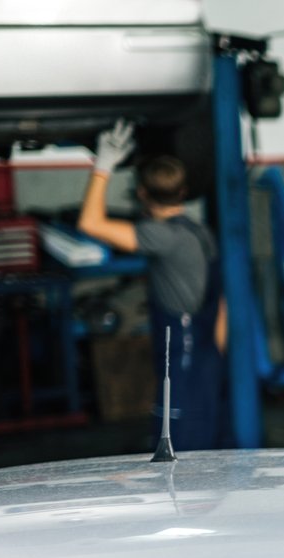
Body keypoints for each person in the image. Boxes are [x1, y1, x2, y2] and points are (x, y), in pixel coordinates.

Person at [79, 120, 228, 450]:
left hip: (183, 355)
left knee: (177, 445)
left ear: (142, 194)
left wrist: (102, 167)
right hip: (205, 352)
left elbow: (90, 223)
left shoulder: (161, 236)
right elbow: (222, 304)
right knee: (206, 440)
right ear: (184, 192)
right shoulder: (199, 231)